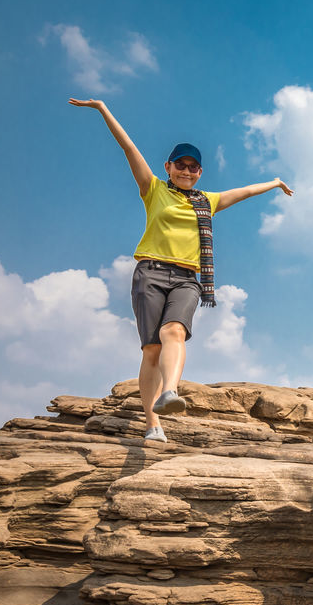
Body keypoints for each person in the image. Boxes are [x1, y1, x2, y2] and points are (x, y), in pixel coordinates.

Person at [69, 98, 293, 443]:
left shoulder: (208, 201)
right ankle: (152, 424)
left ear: (200, 172)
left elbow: (246, 191)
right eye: (181, 166)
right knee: (151, 351)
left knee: (173, 332)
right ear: (169, 166)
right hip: (150, 274)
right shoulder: (153, 189)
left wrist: (276, 182)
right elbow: (128, 146)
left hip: (188, 279)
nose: (187, 171)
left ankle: (170, 391)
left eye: (194, 167)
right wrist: (102, 109)